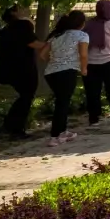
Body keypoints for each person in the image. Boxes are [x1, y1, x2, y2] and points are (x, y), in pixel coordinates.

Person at [0, 4, 44, 140]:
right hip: (22, 70)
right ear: (15, 12)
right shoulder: (22, 26)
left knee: (24, 97)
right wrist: (51, 45)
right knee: (26, 97)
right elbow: (32, 43)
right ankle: (14, 128)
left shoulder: (6, 29)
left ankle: (11, 126)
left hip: (7, 69)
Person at [39, 10, 89, 146]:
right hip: (67, 72)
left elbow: (43, 54)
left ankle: (63, 130)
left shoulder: (56, 35)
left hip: (51, 73)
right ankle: (55, 136)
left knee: (62, 101)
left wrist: (55, 61)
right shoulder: (82, 36)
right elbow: (83, 55)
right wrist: (84, 69)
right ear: (82, 23)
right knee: (62, 103)